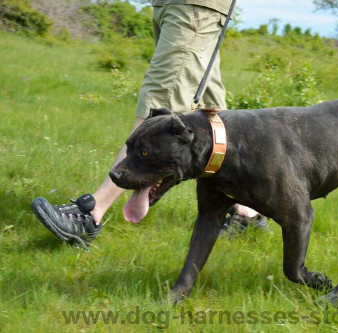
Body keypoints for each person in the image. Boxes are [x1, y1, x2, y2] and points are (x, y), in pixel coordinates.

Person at [30, 1, 267, 250]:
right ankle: (247, 212)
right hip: (176, 5)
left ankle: (91, 214)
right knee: (214, 120)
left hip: (195, 7)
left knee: (158, 111)